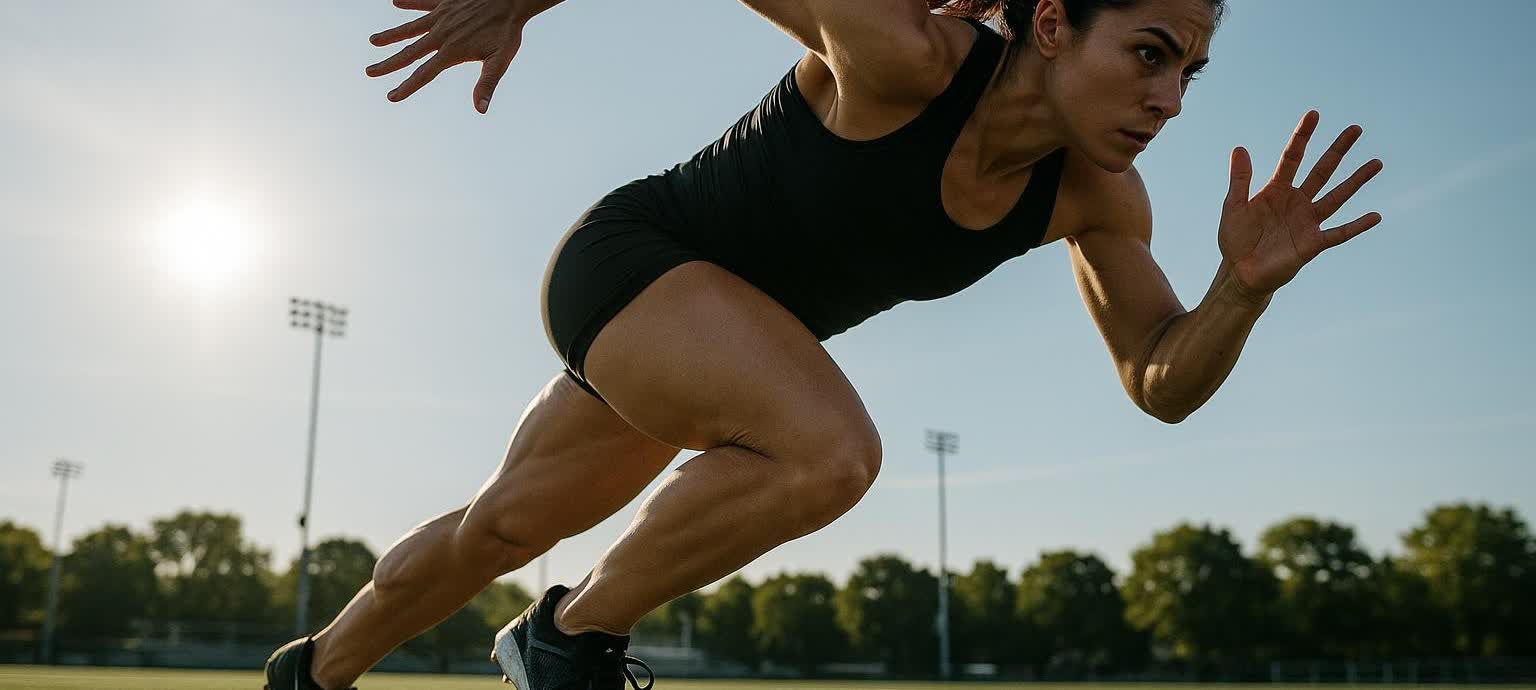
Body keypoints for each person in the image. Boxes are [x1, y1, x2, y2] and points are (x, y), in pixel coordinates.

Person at [264, 0, 1385, 687]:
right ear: (1052, 23)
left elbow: (1160, 380)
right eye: (1149, 53)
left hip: (728, 340)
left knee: (497, 527)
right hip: (635, 262)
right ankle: (566, 641)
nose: (1171, 97)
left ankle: (311, 675)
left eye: (1189, 70)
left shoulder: (1098, 197)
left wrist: (1240, 291)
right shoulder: (908, 53)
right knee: (831, 452)